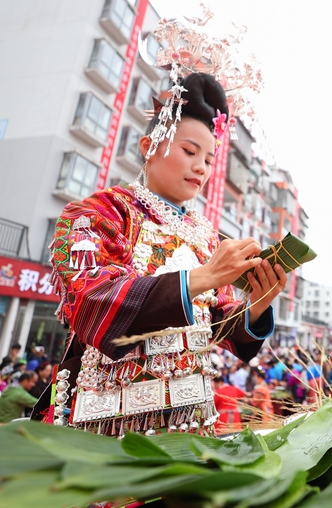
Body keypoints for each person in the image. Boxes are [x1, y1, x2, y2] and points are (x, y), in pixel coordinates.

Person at [32, 71, 287, 437]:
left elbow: (215, 327)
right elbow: (91, 298)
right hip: (107, 414)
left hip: (191, 416)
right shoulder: (101, 212)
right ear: (149, 147)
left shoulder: (206, 237)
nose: (201, 166)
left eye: (210, 159)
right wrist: (205, 277)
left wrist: (257, 303)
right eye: (189, 151)